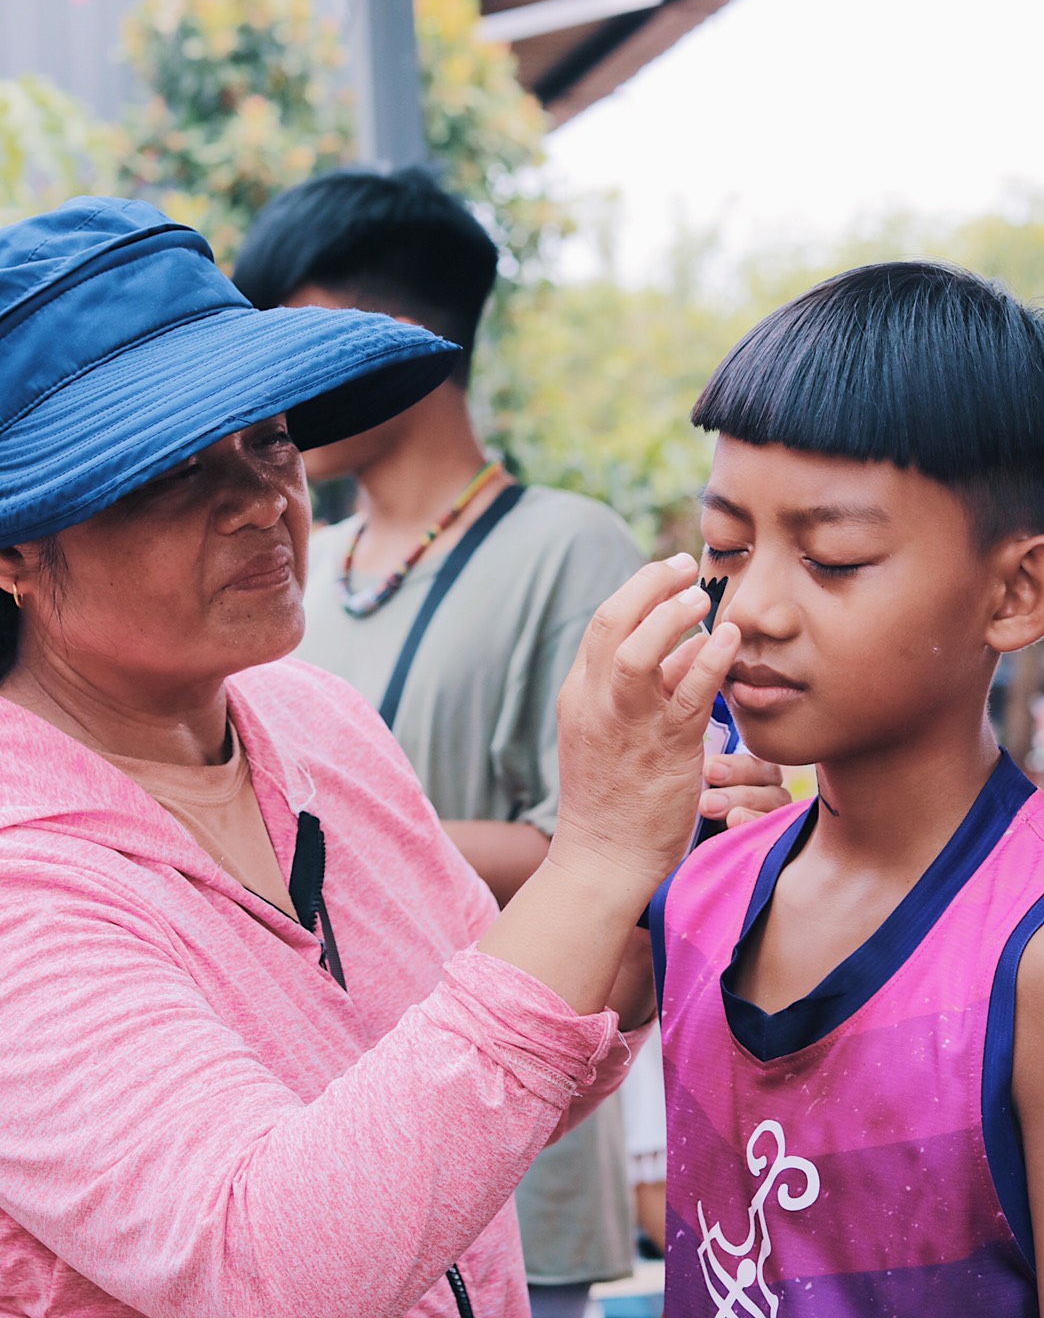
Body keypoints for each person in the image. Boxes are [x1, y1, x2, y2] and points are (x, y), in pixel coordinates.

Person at [0, 194, 765, 1318]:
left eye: (267, 436)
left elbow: (486, 1069)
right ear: (16, 554)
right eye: (172, 468)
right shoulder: (25, 881)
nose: (262, 499)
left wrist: (657, 886)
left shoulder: (316, 721)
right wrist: (592, 855)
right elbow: (272, 1265)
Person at [233, 167, 787, 1315]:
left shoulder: (563, 545)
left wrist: (343, 829)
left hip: (524, 1113)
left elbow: (622, 827)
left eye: (289, 335)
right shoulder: (294, 574)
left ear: (384, 336)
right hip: (325, 1123)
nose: (263, 391)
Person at [646, 261, 1044, 1314]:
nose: (754, 606)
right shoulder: (697, 893)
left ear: (1015, 590)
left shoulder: (1028, 958)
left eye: (833, 558)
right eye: (726, 545)